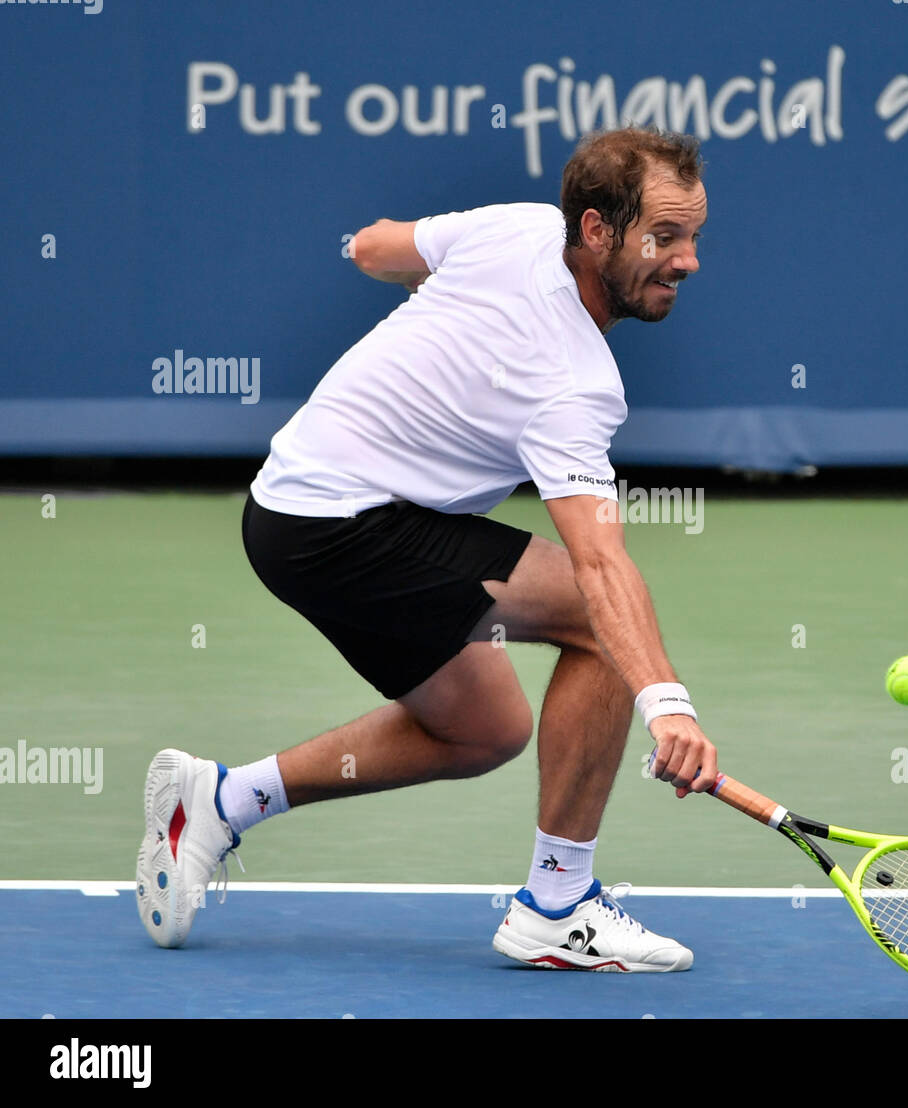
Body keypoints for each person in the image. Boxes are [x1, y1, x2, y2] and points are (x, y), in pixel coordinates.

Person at [134, 126, 718, 973]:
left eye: (695, 237)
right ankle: (557, 904)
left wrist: (439, 305)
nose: (687, 260)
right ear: (596, 231)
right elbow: (599, 563)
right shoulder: (573, 382)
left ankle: (221, 800)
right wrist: (667, 704)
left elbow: (376, 246)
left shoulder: (515, 227)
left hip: (292, 509)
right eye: (664, 237)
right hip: (339, 522)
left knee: (483, 730)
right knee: (596, 620)